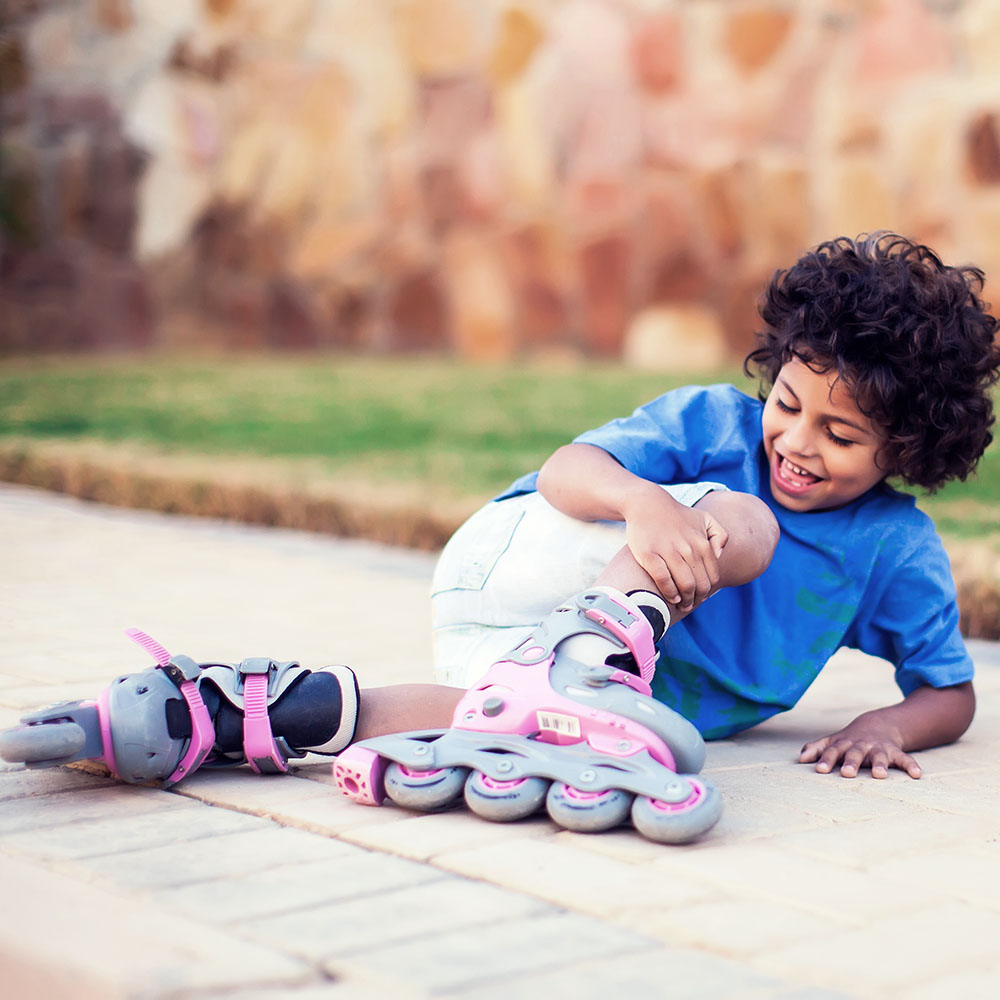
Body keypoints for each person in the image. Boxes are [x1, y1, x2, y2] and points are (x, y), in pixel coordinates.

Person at [426, 232, 1000, 779]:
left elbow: (948, 693)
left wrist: (885, 726)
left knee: (510, 713)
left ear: (905, 450)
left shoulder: (892, 547)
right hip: (513, 562)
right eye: (788, 403)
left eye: (841, 437)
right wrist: (640, 501)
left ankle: (343, 711)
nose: (798, 441)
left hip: (507, 651)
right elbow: (564, 471)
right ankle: (592, 656)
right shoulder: (714, 424)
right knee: (750, 523)